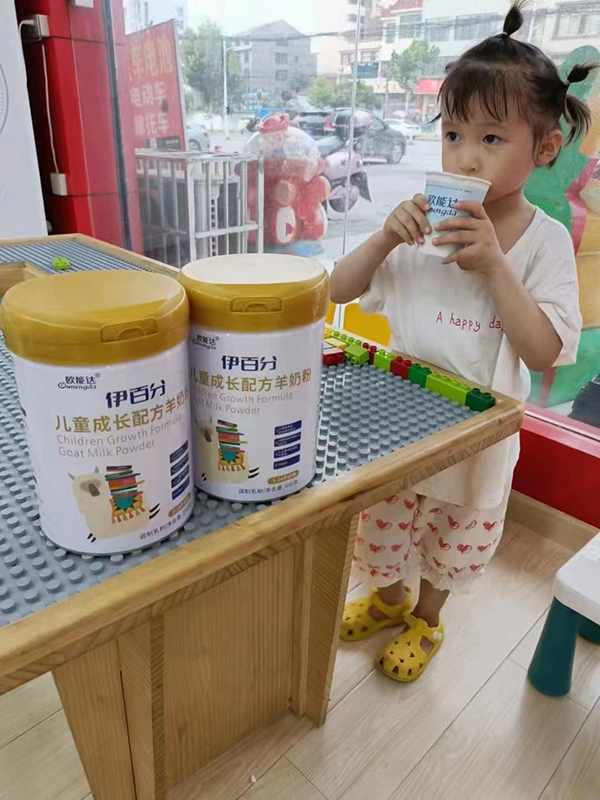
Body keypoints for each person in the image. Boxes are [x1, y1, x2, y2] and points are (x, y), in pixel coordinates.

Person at [330, 1, 594, 683]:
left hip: (477, 442)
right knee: (383, 528)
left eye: (490, 138)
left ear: (544, 149)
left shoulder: (542, 243)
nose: (465, 155)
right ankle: (389, 601)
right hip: (395, 430)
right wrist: (385, 237)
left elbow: (544, 353)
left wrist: (496, 267)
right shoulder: (422, 227)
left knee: (450, 542)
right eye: (452, 134)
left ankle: (427, 617)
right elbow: (337, 289)